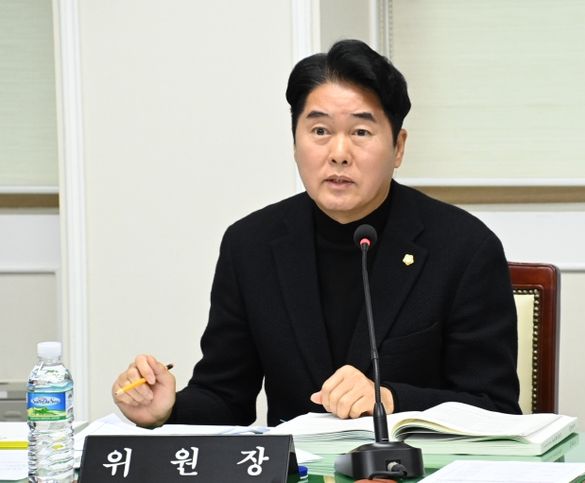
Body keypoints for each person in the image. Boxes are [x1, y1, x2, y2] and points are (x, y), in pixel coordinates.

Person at [112, 39, 520, 428]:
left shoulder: (464, 248)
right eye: (320, 131)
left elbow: (495, 408)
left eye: (361, 132)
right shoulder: (250, 245)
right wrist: (168, 409)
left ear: (398, 147)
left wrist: (392, 399)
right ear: (295, 143)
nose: (338, 153)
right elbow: (226, 396)